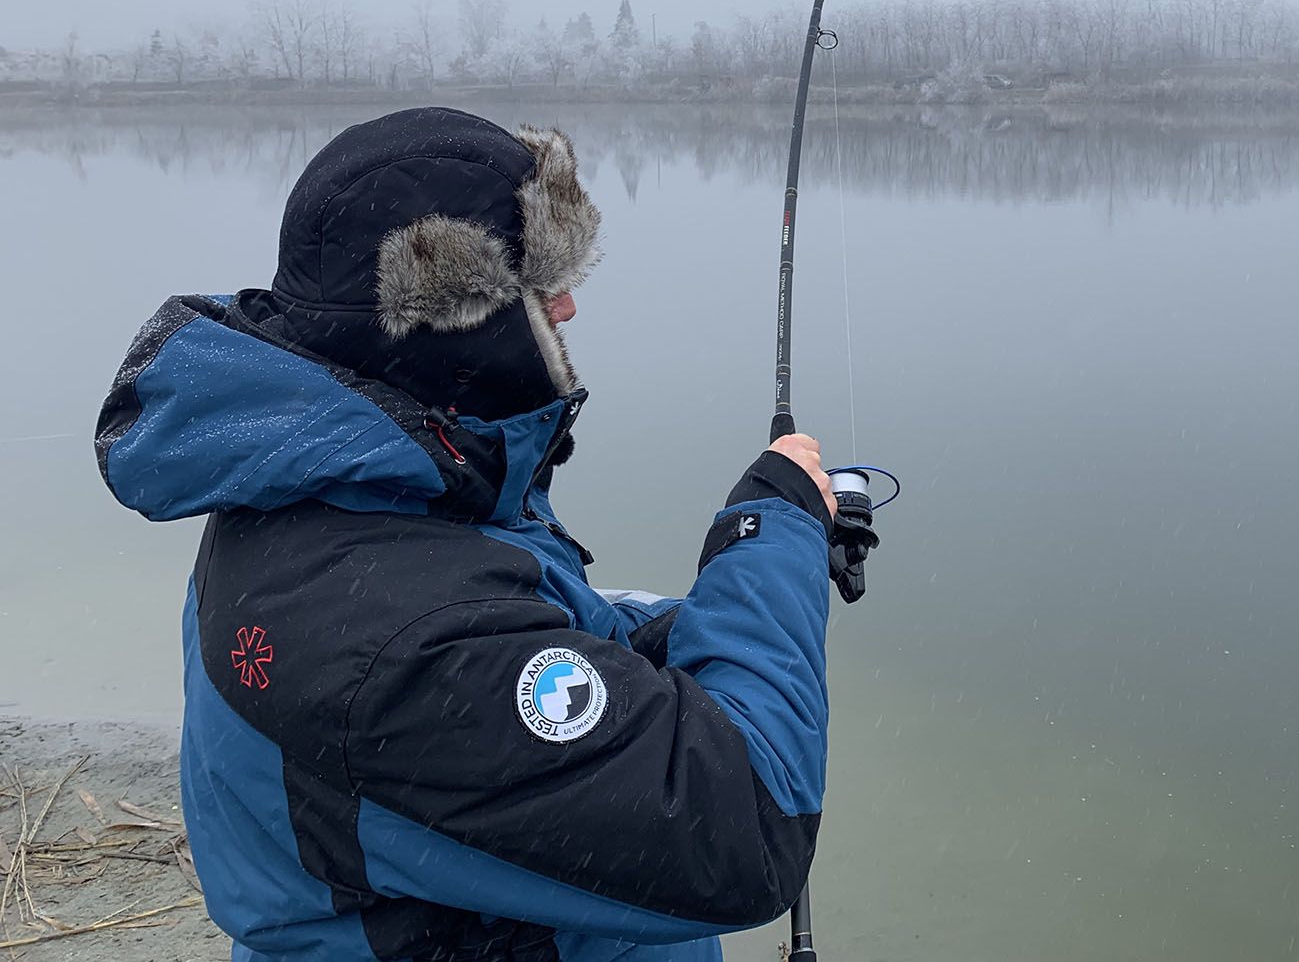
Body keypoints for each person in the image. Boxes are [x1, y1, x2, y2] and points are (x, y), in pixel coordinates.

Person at [94, 106, 837, 961]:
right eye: (534, 284)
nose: (565, 306)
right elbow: (745, 823)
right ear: (448, 322)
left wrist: (692, 633)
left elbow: (520, 627)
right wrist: (770, 532)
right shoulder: (391, 638)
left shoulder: (342, 488)